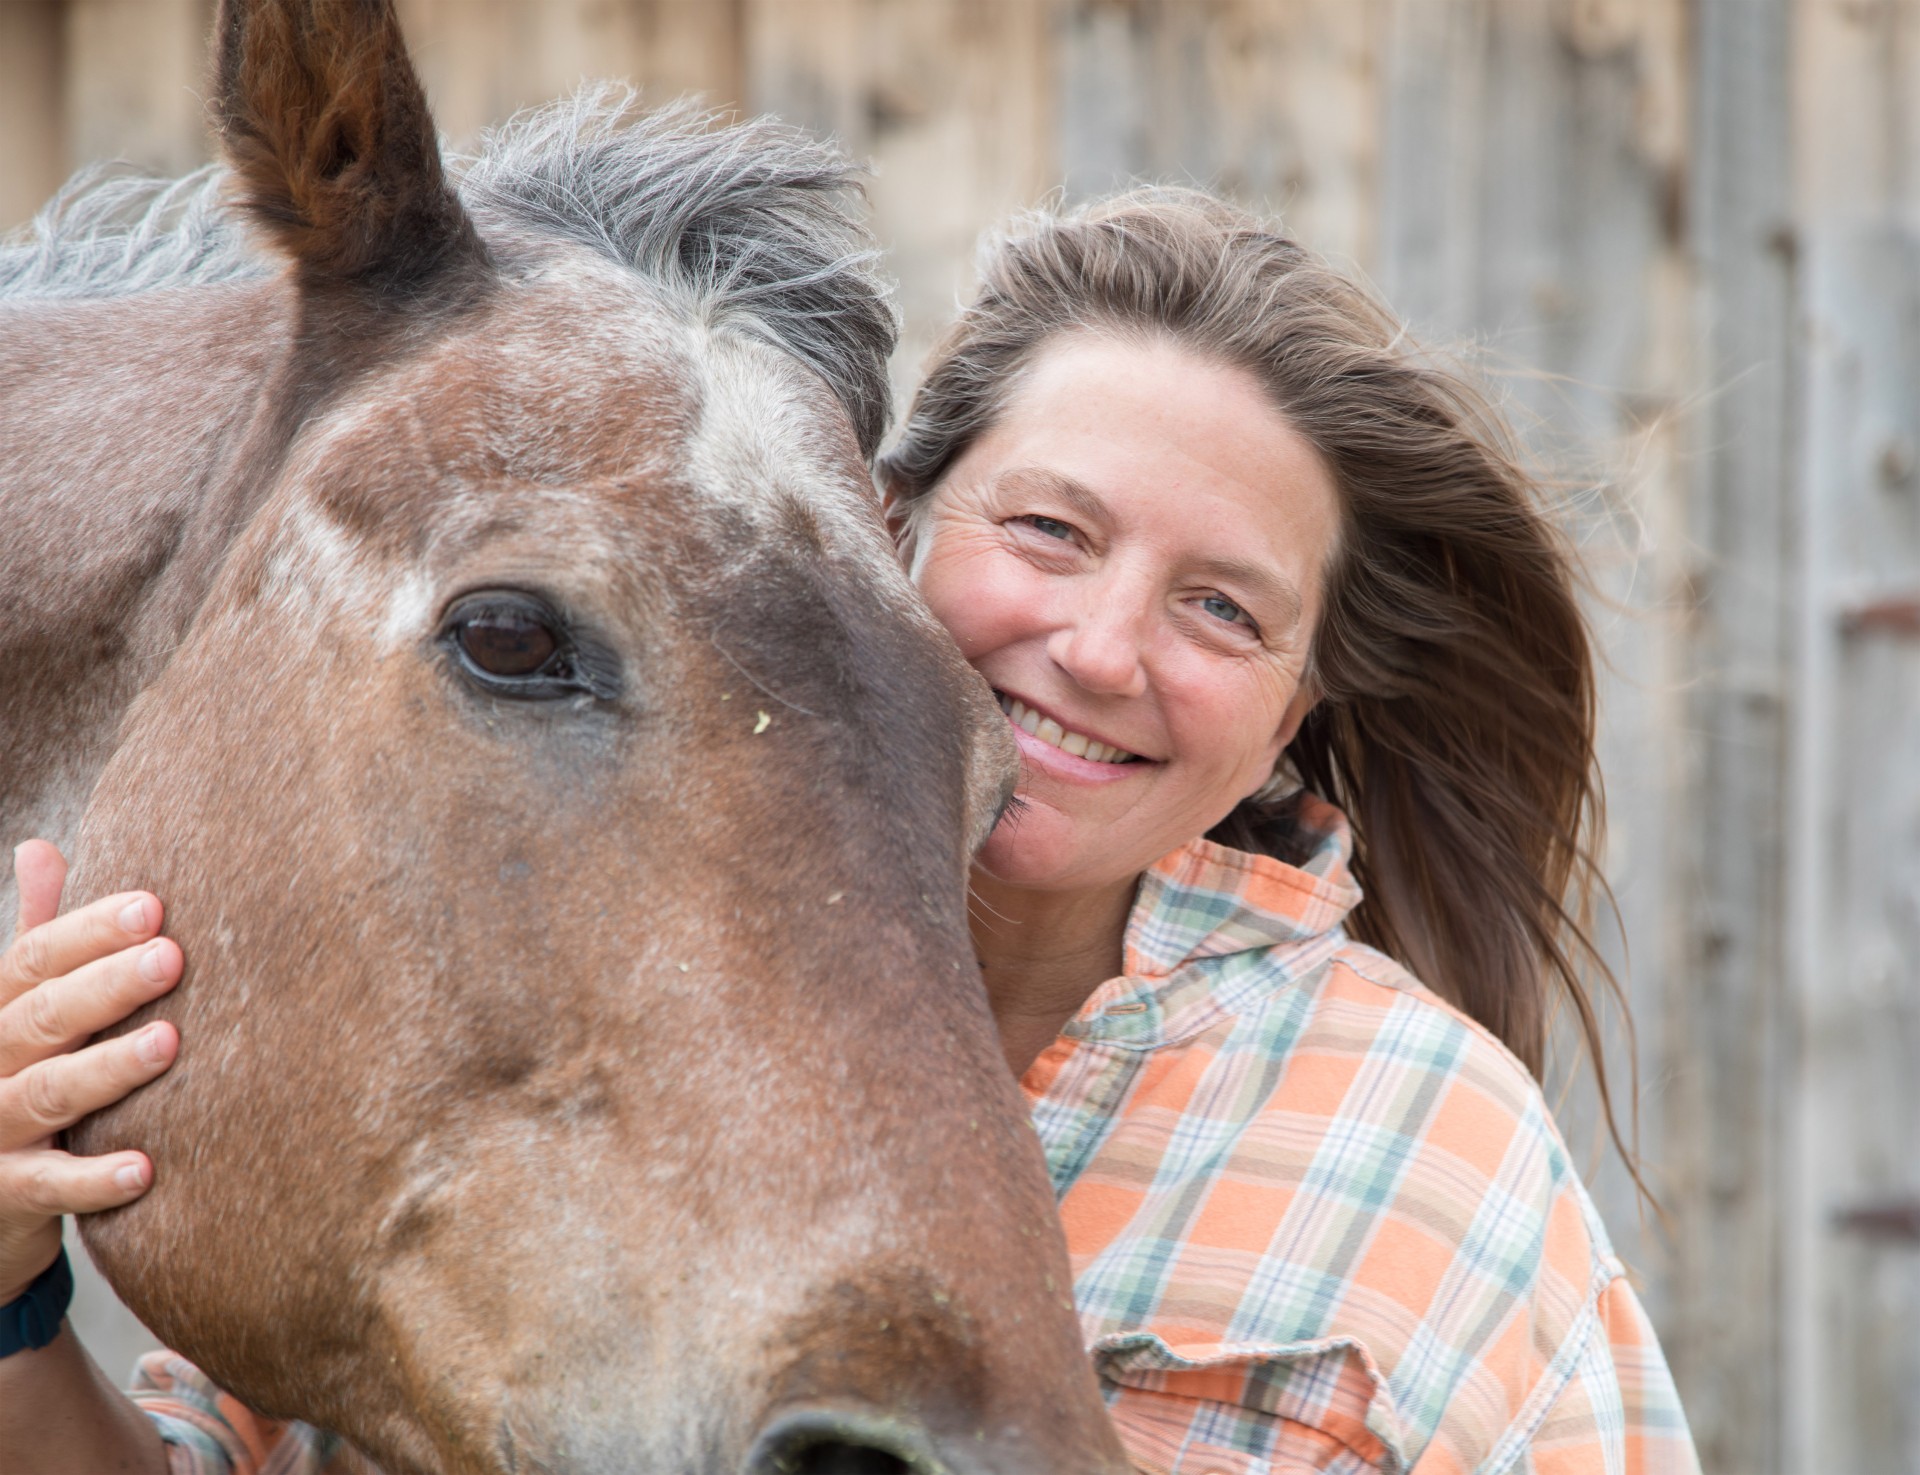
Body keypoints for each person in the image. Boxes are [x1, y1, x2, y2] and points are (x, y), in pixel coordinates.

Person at [0, 190, 1700, 1473]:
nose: (1103, 650)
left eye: (1223, 611)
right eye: (1048, 529)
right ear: (875, 530)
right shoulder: (550, 934)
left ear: (1296, 708)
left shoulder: (1432, 1157)